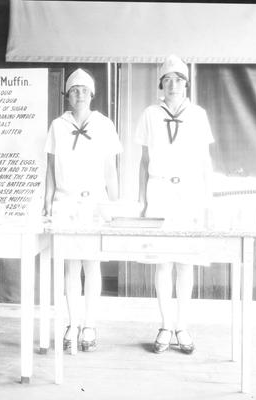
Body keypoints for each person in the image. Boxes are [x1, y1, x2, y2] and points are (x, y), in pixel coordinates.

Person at [135, 55, 215, 354]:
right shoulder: (149, 114)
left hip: (190, 195)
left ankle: (182, 326)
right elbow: (143, 162)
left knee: (185, 262)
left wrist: (207, 200)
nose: (173, 85)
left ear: (186, 84)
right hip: (159, 192)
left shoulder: (198, 114)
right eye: (167, 80)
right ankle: (166, 325)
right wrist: (142, 200)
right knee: (163, 263)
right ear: (161, 85)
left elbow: (205, 162)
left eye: (178, 80)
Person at [44, 68, 121, 352]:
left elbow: (111, 171)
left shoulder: (104, 125)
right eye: (73, 90)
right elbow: (51, 171)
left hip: (94, 204)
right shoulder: (57, 126)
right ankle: (72, 322)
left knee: (91, 264)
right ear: (67, 95)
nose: (79, 94)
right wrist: (47, 203)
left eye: (84, 90)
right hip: (65, 204)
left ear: (92, 94)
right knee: (70, 265)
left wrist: (113, 206)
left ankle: (89, 324)